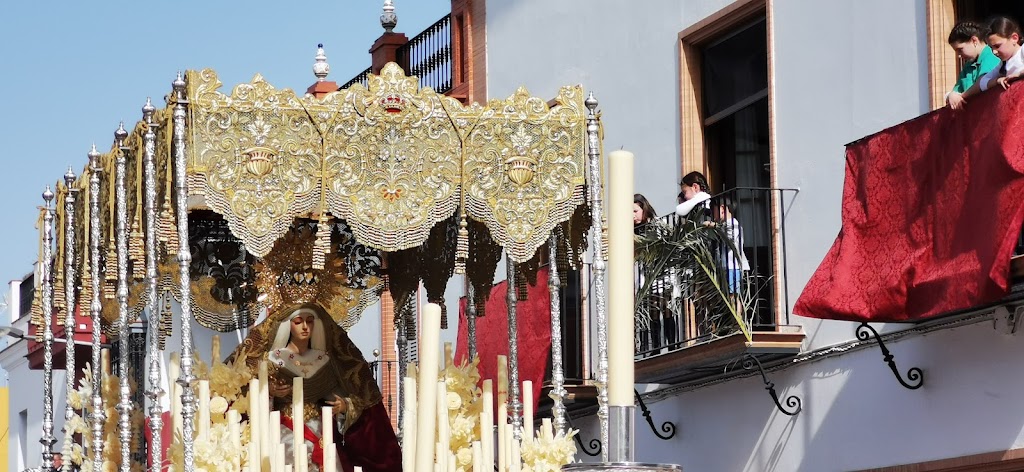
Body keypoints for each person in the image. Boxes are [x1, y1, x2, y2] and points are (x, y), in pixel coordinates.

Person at [259, 302, 402, 472]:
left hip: (321, 431)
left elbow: (347, 396)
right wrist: (269, 392)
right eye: (298, 322)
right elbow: (252, 400)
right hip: (284, 434)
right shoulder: (272, 360)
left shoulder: (324, 360)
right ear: (287, 325)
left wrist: (344, 406)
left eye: (310, 321)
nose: (305, 327)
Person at [952, 16, 1024, 108]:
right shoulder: (1002, 65)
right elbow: (982, 82)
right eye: (991, 48)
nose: (994, 52)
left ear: (1014, 38)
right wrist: (961, 96)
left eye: (997, 46)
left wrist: (1019, 75)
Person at [945, 21, 1001, 109]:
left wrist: (962, 96)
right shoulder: (967, 66)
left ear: (974, 40)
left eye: (960, 49)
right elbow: (956, 92)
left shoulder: (991, 56)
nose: (959, 55)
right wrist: (950, 95)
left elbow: (983, 82)